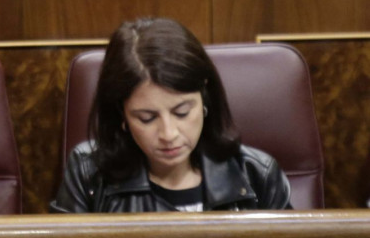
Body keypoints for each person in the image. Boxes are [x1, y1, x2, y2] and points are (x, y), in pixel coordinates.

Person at [50, 17, 292, 213]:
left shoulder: (257, 174)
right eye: (147, 118)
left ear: (204, 98)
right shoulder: (89, 174)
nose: (169, 134)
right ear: (121, 113)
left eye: (182, 112)